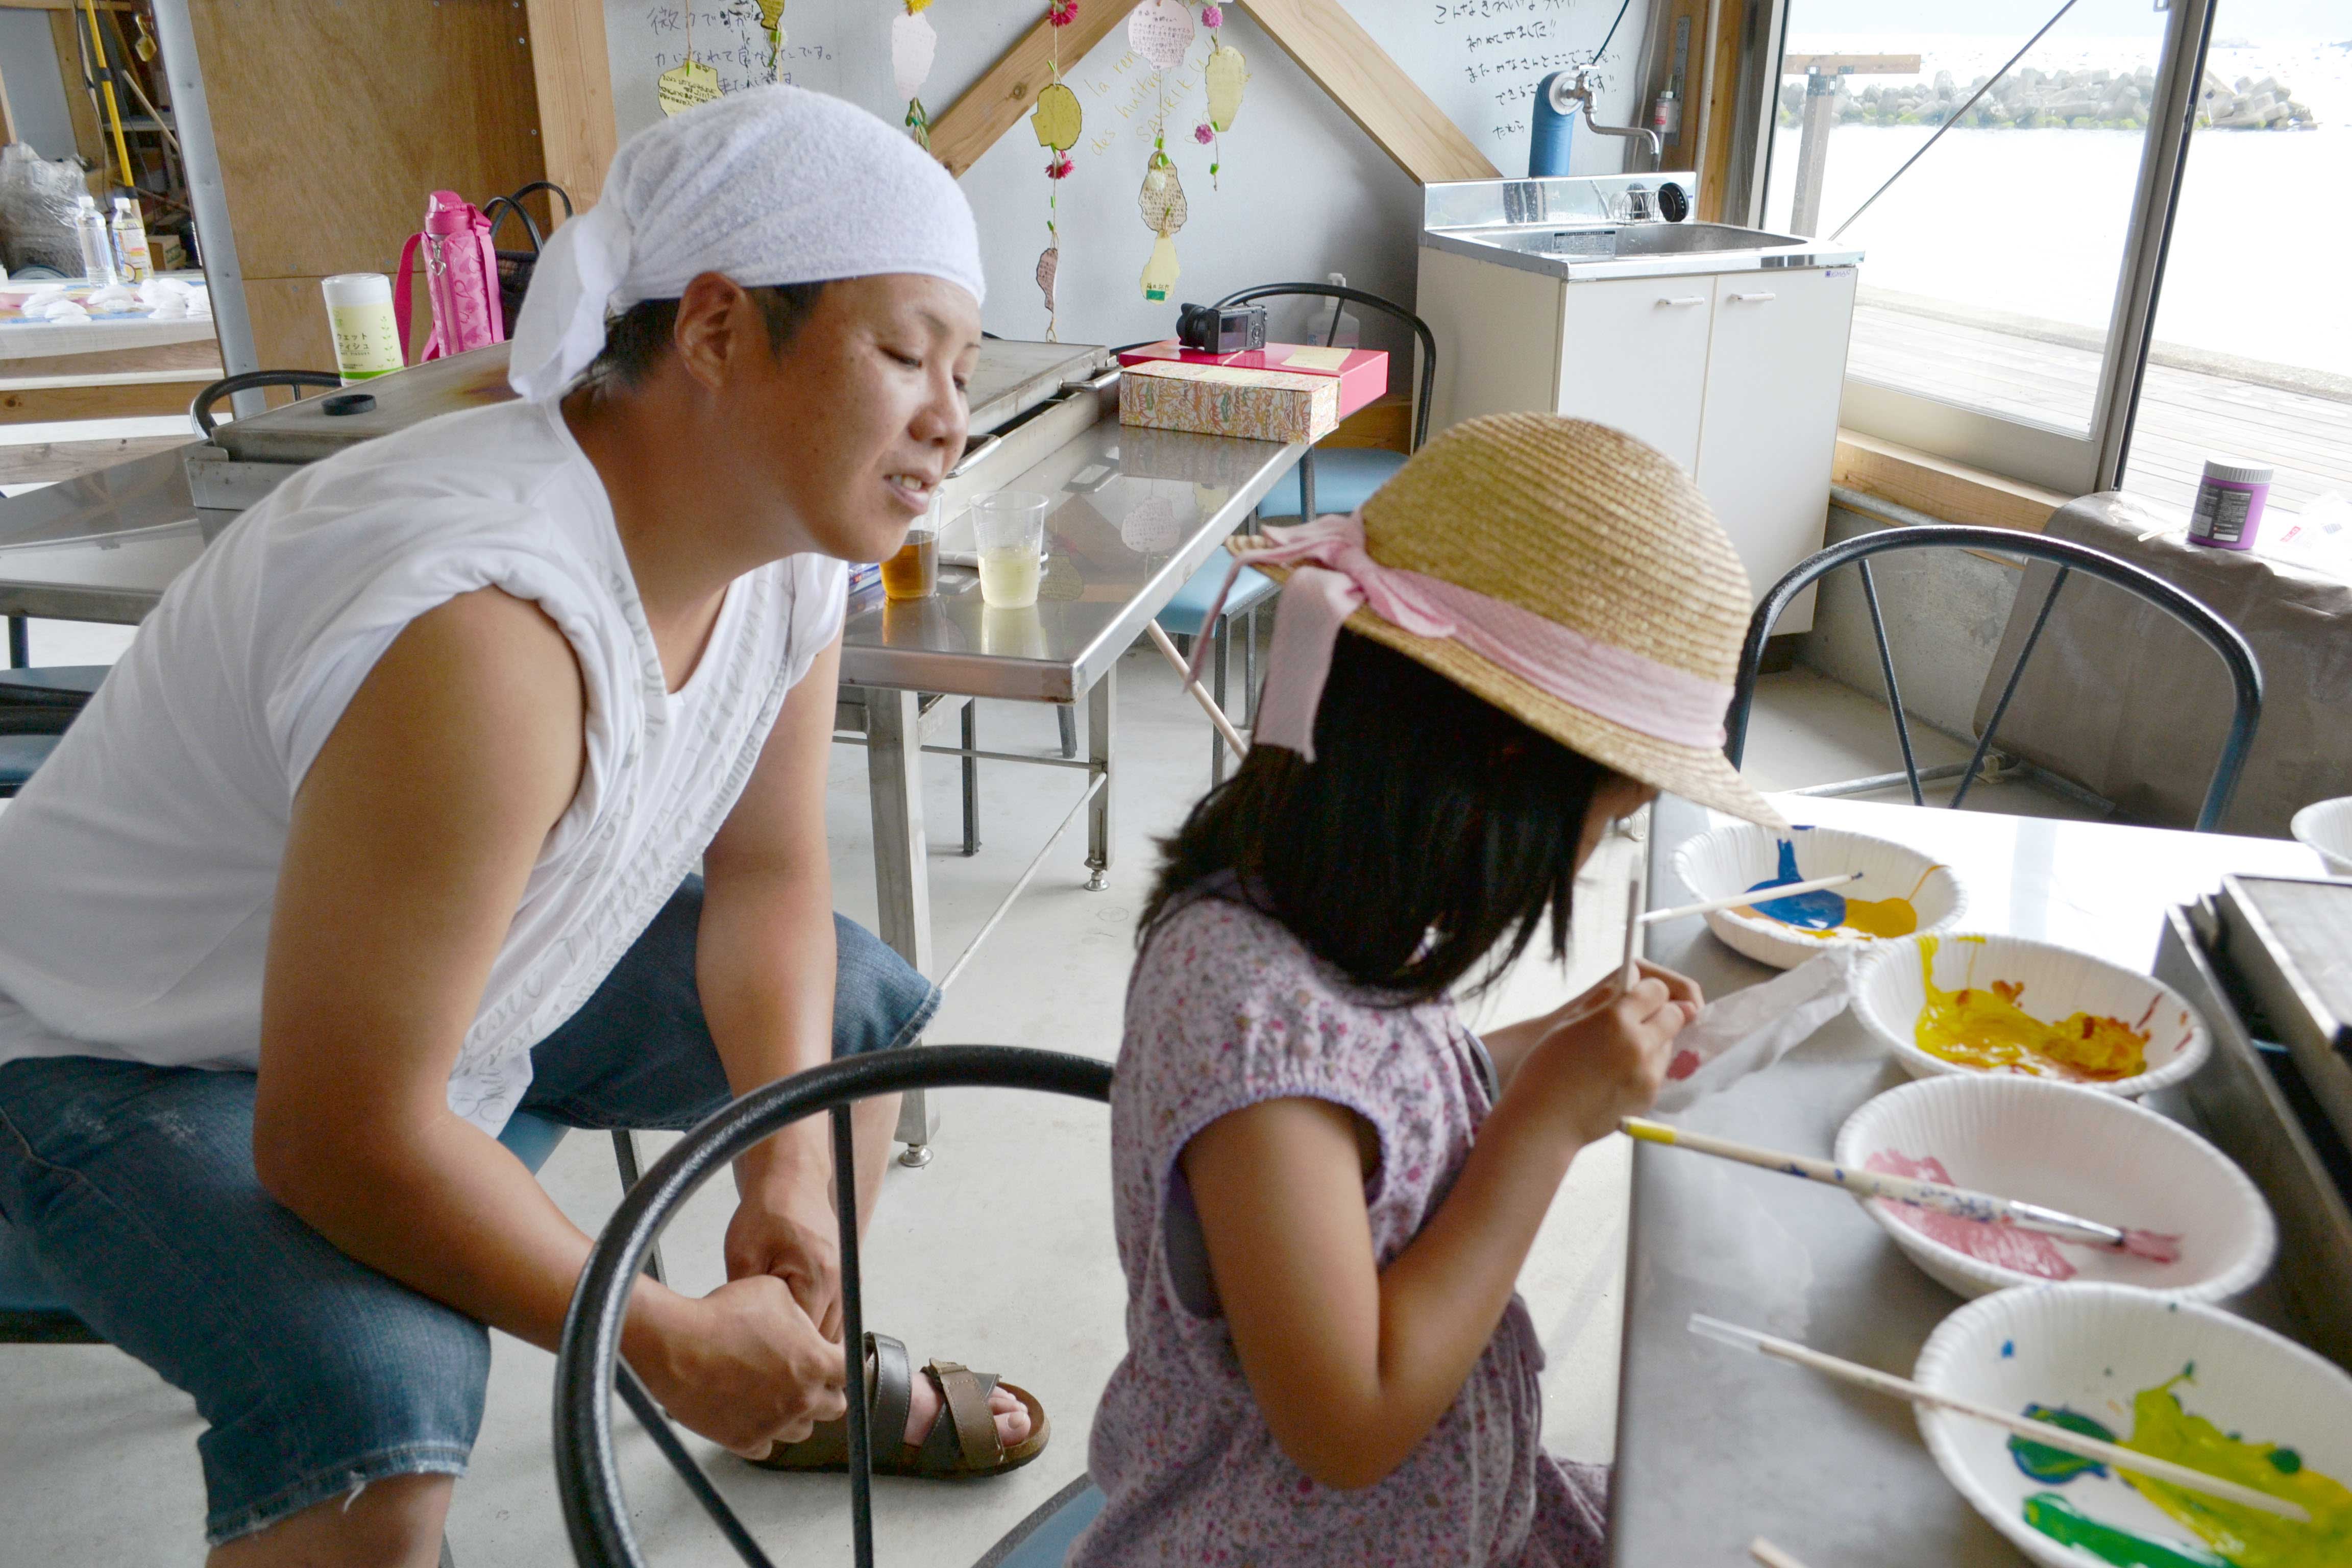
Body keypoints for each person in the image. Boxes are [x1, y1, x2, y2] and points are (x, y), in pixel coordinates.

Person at [0, 88, 1044, 1567]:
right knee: (377, 1400)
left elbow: (769, 883)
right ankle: (713, 1360)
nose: (949, 418)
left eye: (963, 371)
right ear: (717, 329)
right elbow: (339, 1133)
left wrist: (790, 1181)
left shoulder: (787, 555)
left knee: (857, 1022)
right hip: (124, 1057)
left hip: (433, 998)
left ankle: (788, 1368)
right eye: (903, 356)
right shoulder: (488, 628)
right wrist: (652, 1330)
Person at [1070, 414, 1791, 1565]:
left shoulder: (1327, 912)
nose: (1586, 861)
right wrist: (1543, 1124)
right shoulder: (1250, 1020)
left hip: (1449, 1520)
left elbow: (1373, 1120)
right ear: (1504, 766)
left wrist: (1532, 1053)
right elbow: (1349, 1422)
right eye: (1603, 823)